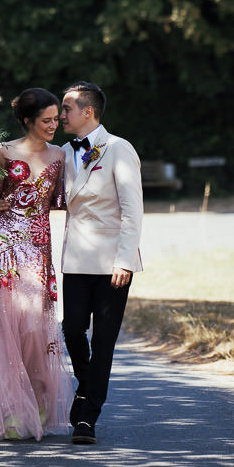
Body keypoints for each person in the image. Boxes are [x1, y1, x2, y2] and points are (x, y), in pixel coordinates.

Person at [0, 88, 72, 442]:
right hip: (2, 244)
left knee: (35, 329)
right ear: (28, 120)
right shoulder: (3, 151)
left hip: (38, 247)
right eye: (47, 120)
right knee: (0, 328)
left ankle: (36, 404)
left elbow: (60, 201)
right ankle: (6, 409)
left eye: (56, 119)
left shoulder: (60, 155)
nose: (54, 125)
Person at [58, 80, 143, 445]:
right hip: (75, 260)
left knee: (104, 341)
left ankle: (86, 417)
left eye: (66, 109)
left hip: (112, 264)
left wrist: (125, 260)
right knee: (73, 330)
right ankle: (87, 386)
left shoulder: (119, 149)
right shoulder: (63, 152)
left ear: (87, 111)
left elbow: (132, 211)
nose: (60, 115)